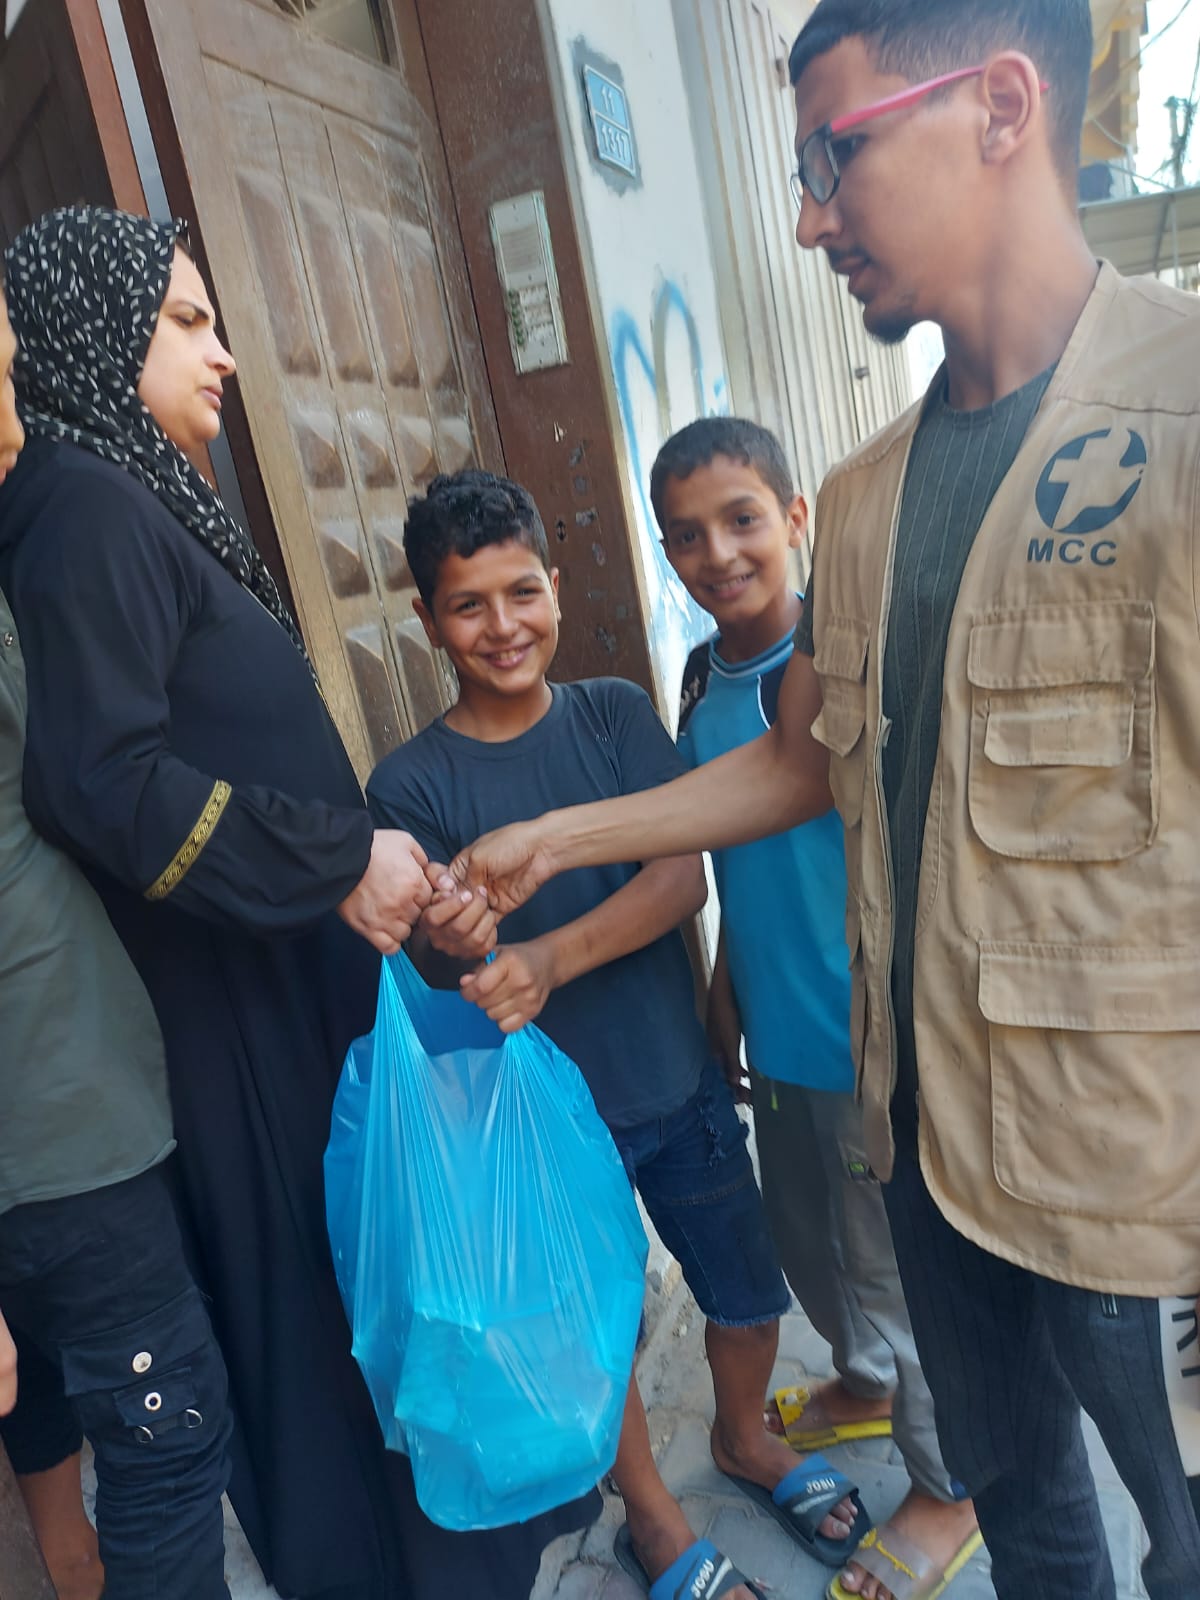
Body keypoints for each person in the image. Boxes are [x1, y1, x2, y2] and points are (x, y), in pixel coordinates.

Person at [446, 3, 1200, 1595]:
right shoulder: (857, 500)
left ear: (1000, 106)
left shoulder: (1183, 412)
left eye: (832, 157)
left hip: (1140, 1175)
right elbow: (808, 760)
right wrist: (555, 836)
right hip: (923, 1144)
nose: (805, 215)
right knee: (1025, 1506)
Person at [0, 205, 591, 1600]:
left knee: (374, 1325)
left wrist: (373, 876)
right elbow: (103, 782)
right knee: (325, 1357)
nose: (224, 359)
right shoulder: (84, 508)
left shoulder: (136, 498)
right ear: (93, 331)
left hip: (288, 992)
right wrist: (335, 864)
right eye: (185, 324)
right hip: (240, 1029)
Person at [366, 468, 873, 1600]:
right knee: (599, 1334)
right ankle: (650, 1516)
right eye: (468, 604)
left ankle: (741, 1435)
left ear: (555, 583)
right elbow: (423, 962)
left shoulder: (614, 714)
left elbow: (678, 878)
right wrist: (457, 934)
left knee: (748, 1295)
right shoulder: (410, 781)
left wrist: (550, 956)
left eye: (522, 591)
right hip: (545, 1128)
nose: (503, 626)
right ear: (427, 619)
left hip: (672, 1081)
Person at [655, 414, 980, 1600]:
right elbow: (737, 861)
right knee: (812, 1248)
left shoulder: (837, 662)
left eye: (742, 518)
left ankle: (950, 1484)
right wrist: (725, 1000)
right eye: (685, 535)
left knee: (900, 1265)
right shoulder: (699, 680)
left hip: (870, 1037)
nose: (718, 552)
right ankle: (865, 1380)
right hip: (781, 1039)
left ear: (796, 519)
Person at [0, 278, 234, 1600]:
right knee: (165, 1432)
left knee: (69, 1409)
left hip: (73, 1087)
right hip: (55, 1117)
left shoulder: (30, 527)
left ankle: (72, 1574)